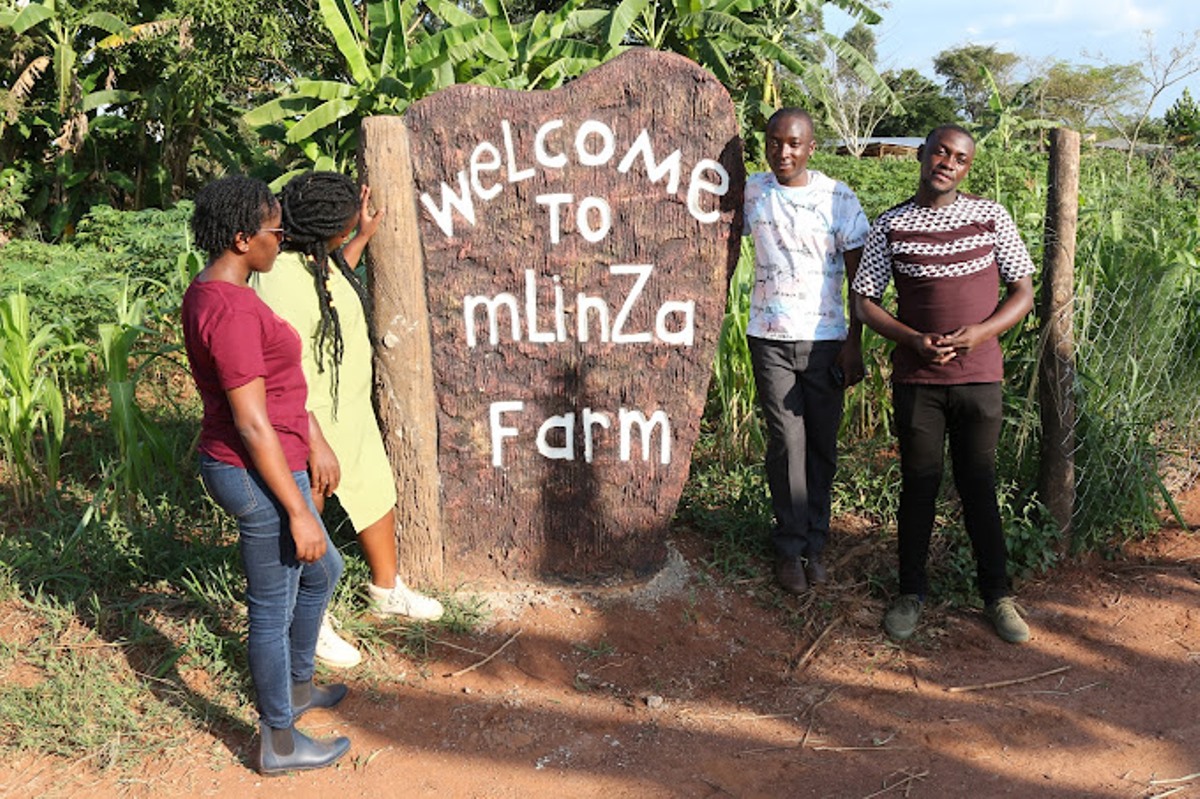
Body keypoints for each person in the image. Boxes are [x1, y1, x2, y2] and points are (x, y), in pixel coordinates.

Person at [182, 175, 351, 774]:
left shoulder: (223, 292)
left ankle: (297, 686)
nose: (282, 241)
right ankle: (278, 740)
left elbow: (276, 391)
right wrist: (299, 510)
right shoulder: (227, 310)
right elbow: (251, 423)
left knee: (324, 567)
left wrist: (315, 436)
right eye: (275, 232)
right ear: (239, 238)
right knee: (272, 605)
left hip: (272, 457)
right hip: (254, 470)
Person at [852, 125, 1036, 644]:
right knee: (919, 485)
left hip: (979, 379)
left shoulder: (989, 216)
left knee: (978, 484)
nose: (948, 163)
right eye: (940, 152)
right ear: (923, 155)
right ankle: (910, 592)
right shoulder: (891, 224)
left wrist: (982, 332)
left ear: (966, 168)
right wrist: (911, 339)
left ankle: (998, 596)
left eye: (959, 158)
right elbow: (865, 301)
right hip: (919, 381)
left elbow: (1023, 290)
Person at [254, 171, 443, 669]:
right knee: (305, 510)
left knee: (376, 491)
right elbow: (280, 367)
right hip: (306, 418)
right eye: (345, 223)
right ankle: (309, 619)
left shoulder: (315, 260)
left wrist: (360, 237)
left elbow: (332, 285)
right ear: (326, 230)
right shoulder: (274, 277)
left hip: (348, 408)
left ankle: (386, 590)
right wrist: (314, 440)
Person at [743, 108, 870, 594]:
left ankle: (816, 544)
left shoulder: (838, 198)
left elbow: (860, 278)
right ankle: (789, 546)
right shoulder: (753, 190)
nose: (783, 152)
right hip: (769, 338)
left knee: (820, 446)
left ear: (811, 147)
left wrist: (854, 342)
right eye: (774, 142)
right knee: (785, 443)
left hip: (826, 341)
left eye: (793, 143)